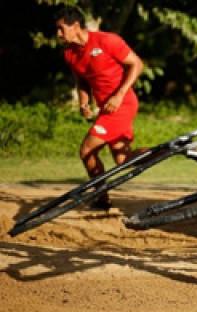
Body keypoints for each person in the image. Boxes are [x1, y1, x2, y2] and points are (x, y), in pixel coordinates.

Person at [55, 7, 144, 210]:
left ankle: (101, 198)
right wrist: (84, 102)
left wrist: (119, 94)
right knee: (124, 160)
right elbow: (82, 81)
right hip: (107, 109)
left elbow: (137, 64)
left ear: (75, 26)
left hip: (122, 104)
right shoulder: (69, 54)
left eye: (61, 29)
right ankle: (177, 149)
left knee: (87, 150)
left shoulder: (106, 40)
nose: (58, 34)